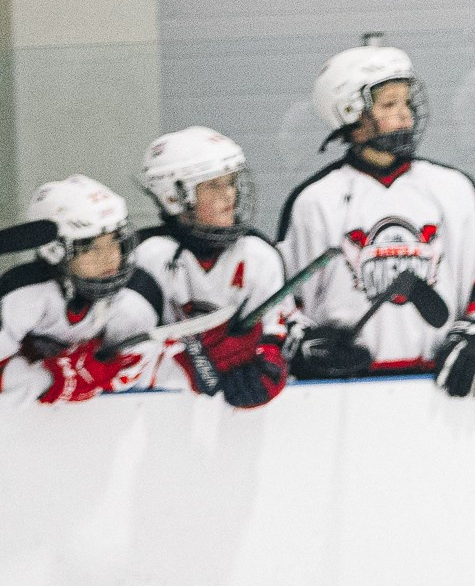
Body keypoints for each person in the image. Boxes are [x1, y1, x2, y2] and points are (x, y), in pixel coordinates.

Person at [276, 41, 475, 398]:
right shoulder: (315, 202)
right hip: (343, 397)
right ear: (349, 112)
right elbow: (281, 298)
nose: (406, 115)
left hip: (441, 390)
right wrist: (305, 344)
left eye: (407, 102)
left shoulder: (453, 188)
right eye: (390, 104)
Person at [129, 127, 291, 409]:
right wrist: (193, 363)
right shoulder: (146, 257)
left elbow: (275, 330)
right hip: (157, 415)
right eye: (214, 186)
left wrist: (270, 359)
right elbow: (130, 348)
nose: (230, 195)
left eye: (230, 182)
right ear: (173, 197)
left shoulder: (257, 254)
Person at [0, 177, 167, 405]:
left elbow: (139, 380)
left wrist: (98, 377)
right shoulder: (22, 293)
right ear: (54, 250)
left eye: (115, 241)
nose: (110, 256)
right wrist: (49, 378)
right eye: (90, 247)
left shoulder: (137, 296)